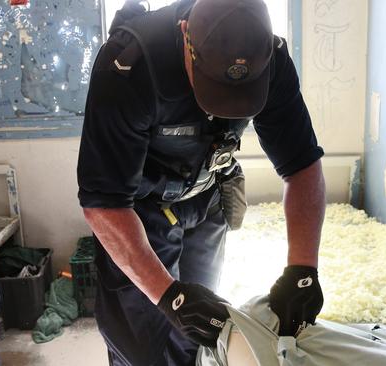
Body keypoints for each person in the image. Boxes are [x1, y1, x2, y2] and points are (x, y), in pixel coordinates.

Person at [77, 0, 326, 364]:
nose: (228, 106)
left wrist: (303, 269)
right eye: (216, 89)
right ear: (185, 36)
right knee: (140, 343)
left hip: (207, 196)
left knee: (202, 331)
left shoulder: (271, 59)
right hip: (140, 214)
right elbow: (104, 204)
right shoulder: (130, 65)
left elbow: (302, 166)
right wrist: (168, 295)